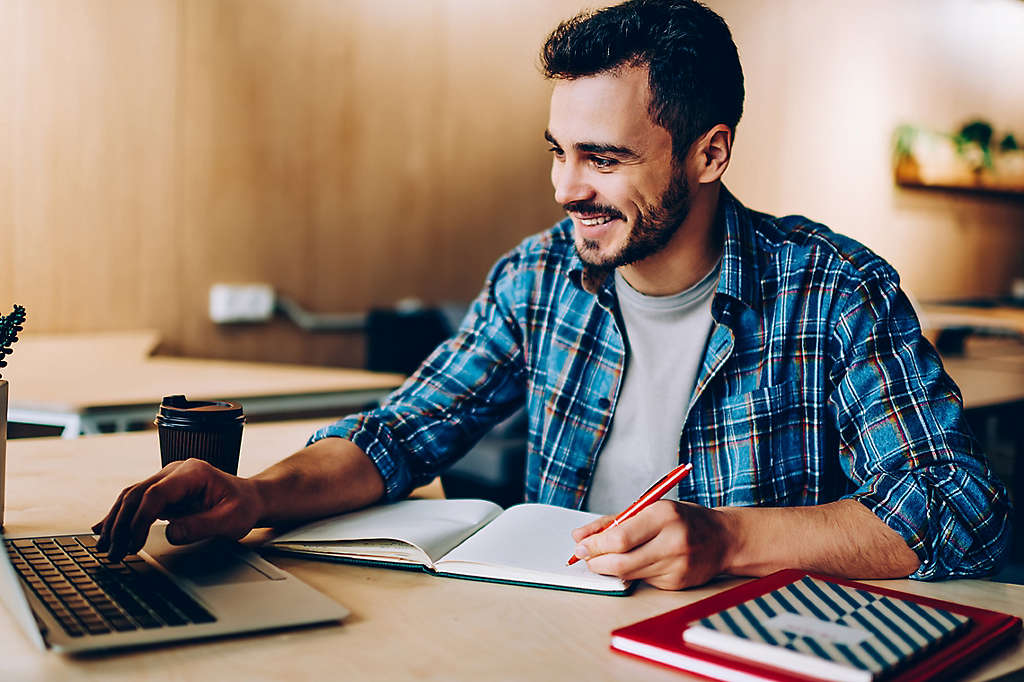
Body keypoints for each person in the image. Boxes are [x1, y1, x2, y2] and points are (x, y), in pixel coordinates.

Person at [95, 0, 1011, 590]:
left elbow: (959, 509)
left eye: (604, 159)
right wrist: (252, 495)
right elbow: (399, 436)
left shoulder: (835, 292)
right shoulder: (537, 277)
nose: (567, 188)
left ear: (711, 153)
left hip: (743, 653)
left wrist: (727, 541)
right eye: (558, 151)